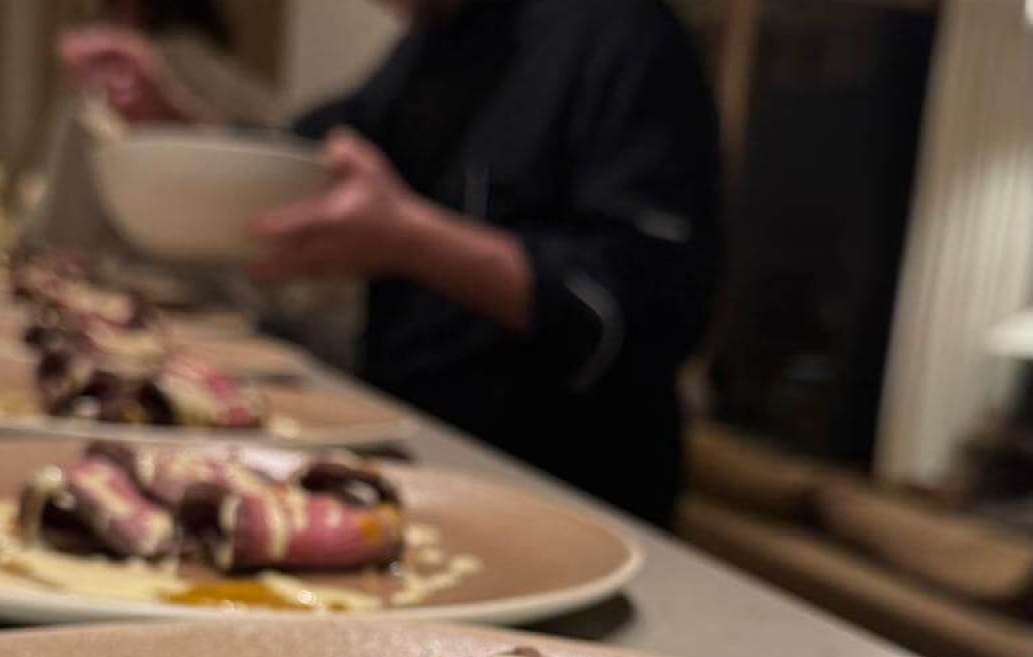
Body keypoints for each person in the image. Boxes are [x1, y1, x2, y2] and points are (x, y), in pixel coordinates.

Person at [69, 0, 720, 527]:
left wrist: (411, 240)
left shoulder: (622, 35)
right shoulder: (427, 47)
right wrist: (173, 116)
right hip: (422, 468)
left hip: (575, 491)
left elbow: (649, 308)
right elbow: (297, 163)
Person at [29, 0, 277, 250]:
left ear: (128, 7)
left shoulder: (111, 89)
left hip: (122, 282)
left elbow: (62, 229)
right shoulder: (258, 99)